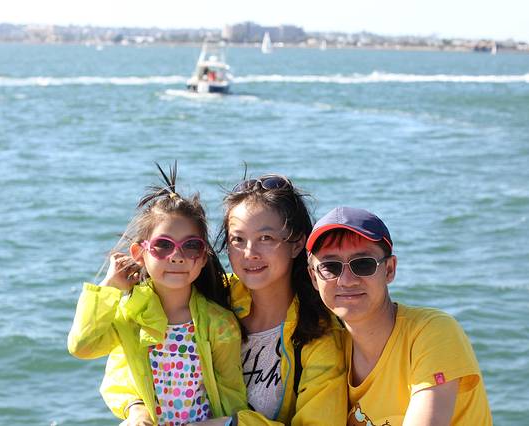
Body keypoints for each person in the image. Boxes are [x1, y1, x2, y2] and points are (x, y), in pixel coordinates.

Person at [67, 163, 247, 425]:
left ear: (203, 257)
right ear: (139, 253)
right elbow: (82, 346)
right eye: (163, 245)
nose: (177, 256)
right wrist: (110, 287)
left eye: (191, 246)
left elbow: (232, 396)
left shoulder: (219, 323)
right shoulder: (130, 314)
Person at [306, 207, 492, 426]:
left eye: (363, 264)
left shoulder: (434, 332)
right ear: (313, 277)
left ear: (389, 269)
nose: (346, 280)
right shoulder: (327, 349)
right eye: (330, 267)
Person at [205, 174, 347, 425]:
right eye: (238, 239)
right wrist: (136, 406)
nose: (249, 253)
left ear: (297, 244)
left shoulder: (319, 333)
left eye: (265, 238)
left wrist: (232, 424)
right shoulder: (212, 297)